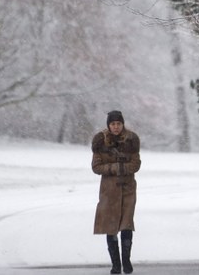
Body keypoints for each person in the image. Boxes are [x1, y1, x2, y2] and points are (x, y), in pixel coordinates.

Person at [91, 110, 141, 274]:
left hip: (127, 189)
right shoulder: (100, 141)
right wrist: (114, 168)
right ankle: (116, 264)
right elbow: (96, 167)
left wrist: (123, 168)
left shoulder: (131, 140)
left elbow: (136, 164)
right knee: (110, 226)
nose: (116, 127)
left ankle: (126, 260)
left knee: (127, 224)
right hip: (109, 191)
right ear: (108, 125)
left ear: (122, 124)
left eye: (118, 124)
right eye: (113, 124)